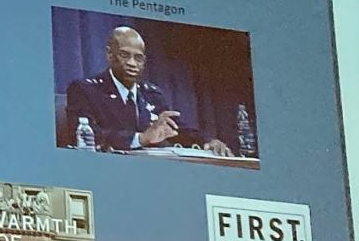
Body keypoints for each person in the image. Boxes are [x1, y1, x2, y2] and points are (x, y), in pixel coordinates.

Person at [65, 26, 233, 155]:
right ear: (110, 55)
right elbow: (86, 136)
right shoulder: (85, 90)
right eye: (125, 55)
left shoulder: (152, 93)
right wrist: (141, 138)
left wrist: (209, 140)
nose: (132, 63)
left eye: (138, 58)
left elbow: (177, 129)